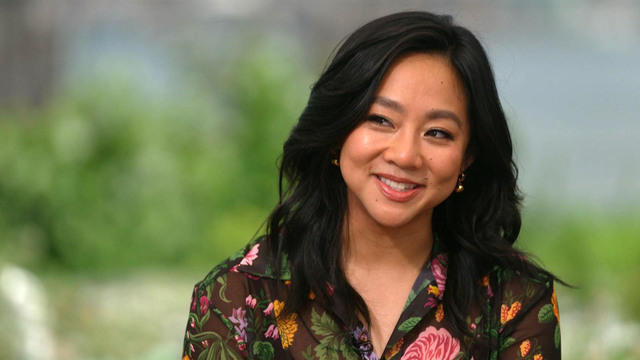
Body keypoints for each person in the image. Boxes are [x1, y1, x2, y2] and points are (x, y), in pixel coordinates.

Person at [182, 11, 561, 360]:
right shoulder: (238, 295)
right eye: (381, 120)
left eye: (437, 132)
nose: (406, 155)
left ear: (467, 157)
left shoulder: (515, 299)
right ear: (337, 131)